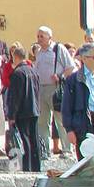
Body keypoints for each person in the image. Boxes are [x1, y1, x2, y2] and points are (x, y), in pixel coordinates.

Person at [34, 26, 76, 159]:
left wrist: (60, 76)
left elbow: (71, 67)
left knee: (60, 120)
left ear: (49, 37)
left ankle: (67, 150)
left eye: (42, 36)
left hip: (55, 89)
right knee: (42, 121)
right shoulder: (39, 52)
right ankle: (44, 151)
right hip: (41, 89)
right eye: (38, 36)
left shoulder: (59, 49)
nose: (39, 39)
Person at [4, 44, 41, 172]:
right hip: (34, 110)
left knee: (24, 141)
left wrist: (11, 115)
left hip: (22, 111)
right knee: (34, 140)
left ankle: (27, 167)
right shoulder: (33, 71)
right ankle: (36, 167)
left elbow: (15, 97)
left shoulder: (17, 73)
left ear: (15, 57)